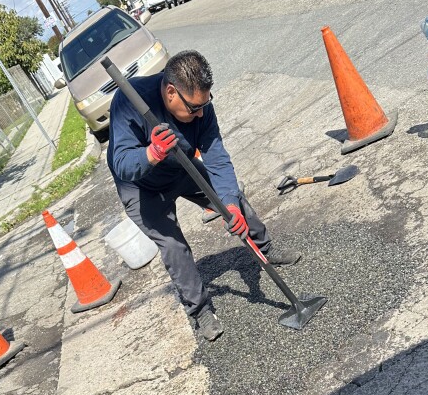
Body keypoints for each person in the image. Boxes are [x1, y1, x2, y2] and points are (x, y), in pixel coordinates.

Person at [107, 50, 301, 341]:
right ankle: (199, 311)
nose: (200, 113)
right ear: (171, 92)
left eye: (203, 105)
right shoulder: (130, 99)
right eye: (194, 108)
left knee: (231, 197)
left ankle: (265, 249)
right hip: (141, 186)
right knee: (173, 245)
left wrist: (231, 206)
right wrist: (151, 152)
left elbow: (217, 157)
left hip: (181, 168)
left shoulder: (201, 104)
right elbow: (122, 162)